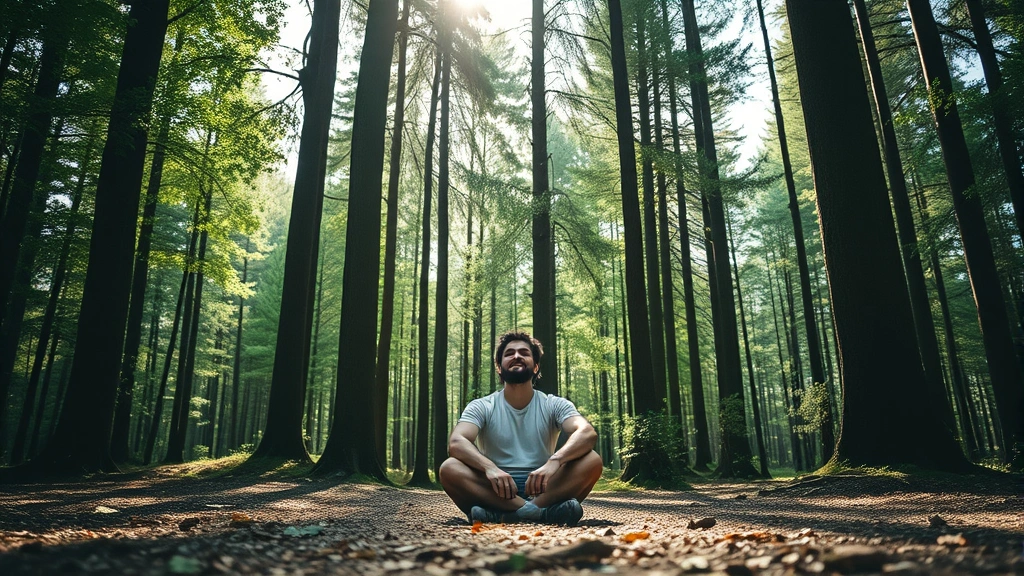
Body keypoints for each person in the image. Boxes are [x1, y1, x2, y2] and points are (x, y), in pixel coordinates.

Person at [438, 330, 603, 526]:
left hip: (545, 489)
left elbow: (586, 432)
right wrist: (490, 468)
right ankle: (541, 514)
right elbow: (457, 442)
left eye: (524, 353)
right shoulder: (482, 406)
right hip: (494, 489)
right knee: (449, 468)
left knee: (592, 460)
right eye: (509, 353)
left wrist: (555, 461)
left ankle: (506, 515)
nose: (517, 356)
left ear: (536, 367)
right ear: (499, 367)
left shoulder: (554, 404)